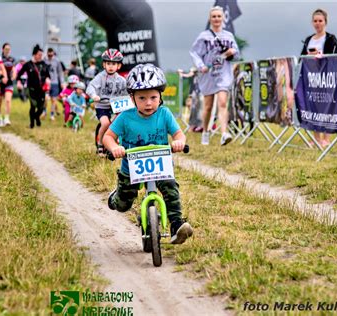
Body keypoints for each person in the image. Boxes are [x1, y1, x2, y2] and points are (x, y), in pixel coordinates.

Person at [103, 63, 193, 244]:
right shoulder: (126, 117)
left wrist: (178, 142)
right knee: (123, 205)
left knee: (170, 190)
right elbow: (108, 136)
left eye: (153, 97)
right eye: (142, 98)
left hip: (160, 166)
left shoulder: (164, 114)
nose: (148, 103)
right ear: (132, 98)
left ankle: (176, 225)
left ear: (160, 96)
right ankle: (115, 198)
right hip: (131, 167)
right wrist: (114, 148)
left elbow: (178, 134)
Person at [190, 6, 240, 146]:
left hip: (223, 73)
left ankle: (224, 133)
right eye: (214, 16)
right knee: (208, 106)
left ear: (223, 18)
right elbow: (194, 53)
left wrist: (232, 52)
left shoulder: (229, 36)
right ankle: (205, 131)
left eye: (219, 16)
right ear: (210, 19)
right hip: (208, 75)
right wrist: (201, 66)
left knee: (223, 102)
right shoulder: (204, 36)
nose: (217, 19)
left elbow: (237, 53)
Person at [300, 8, 337, 148]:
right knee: (313, 107)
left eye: (320, 21)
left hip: (326, 78)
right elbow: (301, 57)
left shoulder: (331, 38)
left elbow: (334, 58)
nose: (318, 23)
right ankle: (316, 138)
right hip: (311, 78)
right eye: (315, 21)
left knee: (327, 106)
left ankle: (326, 139)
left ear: (325, 22)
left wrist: (319, 54)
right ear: (312, 23)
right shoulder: (308, 40)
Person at [86, 48, 127, 156]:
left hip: (115, 105)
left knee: (118, 123)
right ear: (104, 64)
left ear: (119, 66)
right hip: (102, 105)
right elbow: (91, 86)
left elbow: (129, 90)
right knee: (105, 123)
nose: (111, 66)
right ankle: (100, 143)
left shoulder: (121, 80)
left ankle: (112, 142)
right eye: (108, 63)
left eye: (114, 64)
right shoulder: (100, 77)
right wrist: (94, 95)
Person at [16, 44, 51, 128]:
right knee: (33, 106)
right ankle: (32, 124)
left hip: (41, 89)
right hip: (31, 89)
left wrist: (47, 79)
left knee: (41, 107)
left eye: (41, 55)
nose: (40, 56)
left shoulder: (44, 64)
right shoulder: (28, 64)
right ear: (34, 55)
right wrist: (19, 82)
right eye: (39, 55)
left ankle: (36, 117)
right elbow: (19, 75)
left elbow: (48, 75)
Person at [0, 43, 16, 127]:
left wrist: (13, 77)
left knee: (8, 100)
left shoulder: (12, 59)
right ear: (2, 49)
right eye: (6, 49)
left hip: (9, 82)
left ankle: (7, 118)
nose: (7, 50)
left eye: (9, 49)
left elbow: (14, 70)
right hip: (0, 81)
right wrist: (3, 75)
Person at [44, 48, 65, 121]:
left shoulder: (57, 61)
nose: (50, 55)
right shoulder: (44, 60)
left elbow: (60, 72)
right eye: (48, 54)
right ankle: (44, 111)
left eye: (51, 54)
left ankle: (52, 114)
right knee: (45, 98)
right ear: (47, 53)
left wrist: (62, 82)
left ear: (53, 53)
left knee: (54, 100)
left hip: (55, 83)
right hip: (46, 83)